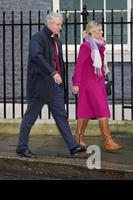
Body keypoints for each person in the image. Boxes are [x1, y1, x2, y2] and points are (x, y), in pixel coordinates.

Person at [16, 12, 86, 158]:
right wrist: (53, 72)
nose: (60, 27)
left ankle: (73, 146)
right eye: (58, 24)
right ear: (49, 23)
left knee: (61, 116)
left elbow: (59, 63)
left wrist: (61, 80)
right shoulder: (38, 38)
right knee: (30, 117)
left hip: (55, 87)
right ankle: (21, 147)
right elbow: (37, 56)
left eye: (61, 24)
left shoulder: (57, 41)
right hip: (40, 86)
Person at [72, 21, 122, 151]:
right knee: (102, 109)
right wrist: (76, 83)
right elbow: (79, 65)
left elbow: (98, 64)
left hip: (97, 82)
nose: (102, 32)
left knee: (86, 110)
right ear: (92, 32)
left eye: (101, 30)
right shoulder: (86, 46)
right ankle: (108, 141)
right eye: (99, 30)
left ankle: (78, 138)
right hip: (89, 83)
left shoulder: (98, 45)